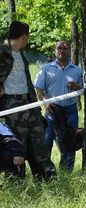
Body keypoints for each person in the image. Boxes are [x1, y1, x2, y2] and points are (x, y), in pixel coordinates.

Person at [0, 20, 56, 180]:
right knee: (17, 146)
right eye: (28, 36)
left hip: (30, 105)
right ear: (24, 36)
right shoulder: (2, 52)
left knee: (39, 145)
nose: (28, 39)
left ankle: (47, 180)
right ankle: (16, 184)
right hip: (12, 107)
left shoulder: (21, 54)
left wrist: (36, 106)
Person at [34, 40, 83, 171]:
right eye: (59, 48)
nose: (61, 50)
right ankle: (46, 173)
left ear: (70, 51)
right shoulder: (46, 69)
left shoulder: (77, 71)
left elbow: (84, 90)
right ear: (55, 51)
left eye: (65, 48)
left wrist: (77, 87)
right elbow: (39, 89)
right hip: (52, 110)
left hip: (70, 110)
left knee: (69, 143)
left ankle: (66, 172)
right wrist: (45, 104)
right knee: (47, 141)